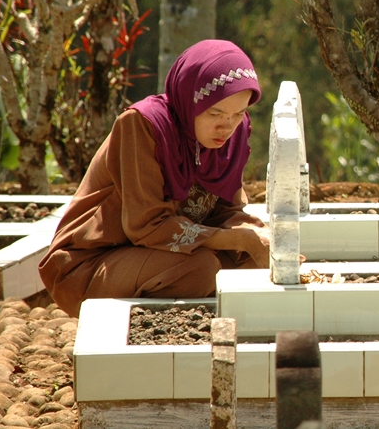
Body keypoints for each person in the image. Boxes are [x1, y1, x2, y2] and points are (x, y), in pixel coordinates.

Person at [39, 40, 271, 317]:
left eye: (238, 114)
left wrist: (260, 236)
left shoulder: (234, 133)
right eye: (214, 113)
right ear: (189, 100)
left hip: (166, 255)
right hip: (93, 262)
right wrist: (238, 240)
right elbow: (145, 225)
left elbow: (226, 211)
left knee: (256, 262)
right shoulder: (144, 126)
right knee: (202, 269)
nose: (227, 126)